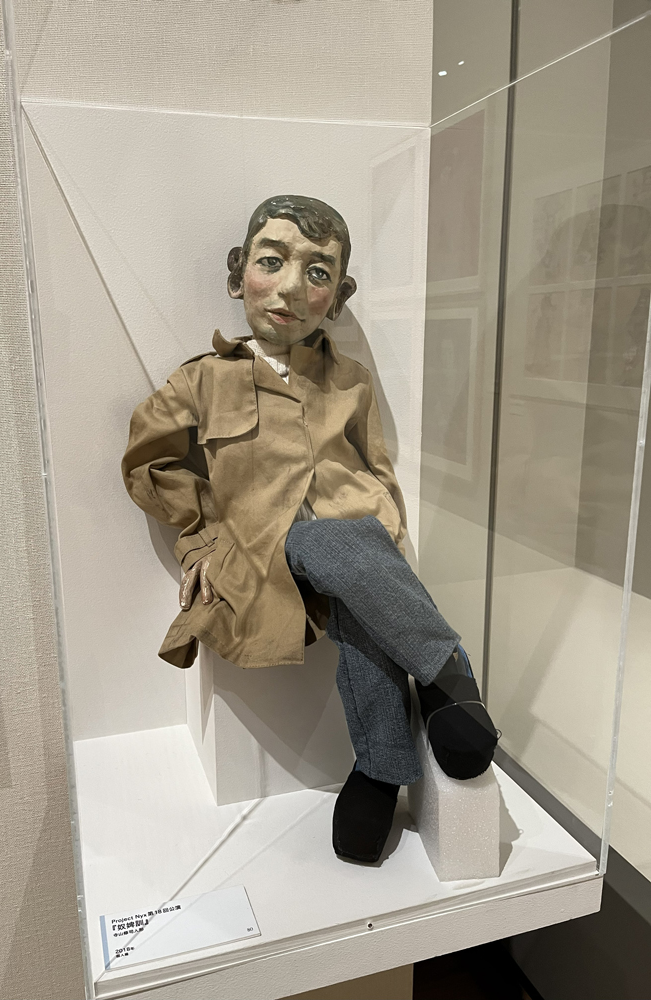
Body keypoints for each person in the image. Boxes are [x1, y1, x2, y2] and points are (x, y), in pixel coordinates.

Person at [122, 195, 498, 864]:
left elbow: (376, 469)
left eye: (318, 273)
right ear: (238, 274)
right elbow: (148, 463)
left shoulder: (351, 381)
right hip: (266, 552)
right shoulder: (201, 381)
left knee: (355, 568)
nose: (293, 287)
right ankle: (446, 671)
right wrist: (200, 536)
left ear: (339, 297)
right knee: (332, 543)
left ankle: (380, 768)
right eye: (272, 262)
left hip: (357, 549)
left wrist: (386, 531)